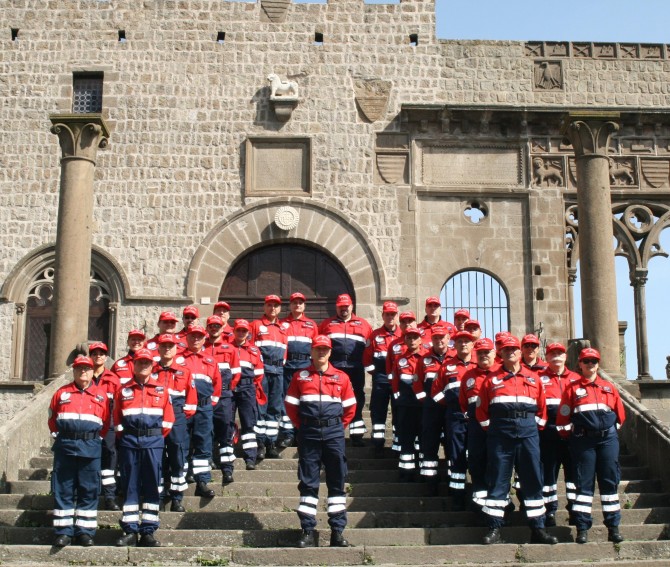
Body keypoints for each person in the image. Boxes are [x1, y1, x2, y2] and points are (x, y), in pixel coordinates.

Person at [476, 335, 557, 545]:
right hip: (500, 434)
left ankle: (538, 528)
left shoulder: (533, 378)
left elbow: (542, 411)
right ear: (501, 353)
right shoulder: (491, 379)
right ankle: (494, 528)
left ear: (520, 353)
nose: (511, 352)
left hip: (528, 433)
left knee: (533, 480)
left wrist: (531, 428)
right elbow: (481, 411)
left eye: (514, 349)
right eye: (507, 349)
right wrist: (493, 429)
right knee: (498, 480)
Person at [284, 335, 356, 548]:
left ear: (330, 352)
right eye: (318, 349)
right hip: (309, 432)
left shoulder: (342, 377)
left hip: (333, 433)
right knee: (308, 481)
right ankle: (307, 530)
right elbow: (290, 406)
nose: (321, 352)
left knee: (337, 481)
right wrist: (303, 426)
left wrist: (336, 426)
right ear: (312, 352)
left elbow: (350, 408)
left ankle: (337, 532)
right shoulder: (300, 376)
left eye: (325, 349)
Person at [556, 347, 626, 545]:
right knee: (583, 484)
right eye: (586, 361)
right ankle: (582, 528)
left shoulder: (609, 387)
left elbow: (620, 415)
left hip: (607, 441)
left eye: (593, 361)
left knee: (609, 482)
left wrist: (609, 432)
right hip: (583, 442)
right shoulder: (572, 388)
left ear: (598, 363)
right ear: (580, 363)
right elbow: (563, 418)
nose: (590, 364)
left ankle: (613, 528)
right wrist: (574, 436)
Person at [114, 348, 174, 548]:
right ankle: (130, 530)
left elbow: (168, 421)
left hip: (153, 444)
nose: (143, 366)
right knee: (129, 485)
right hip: (129, 443)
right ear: (134, 365)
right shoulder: (123, 391)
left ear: (152, 366)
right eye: (140, 362)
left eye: (147, 363)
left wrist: (152, 437)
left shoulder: (161, 390)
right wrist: (131, 436)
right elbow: (117, 421)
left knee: (151, 486)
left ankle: (148, 530)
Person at [49, 355, 110, 547]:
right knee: (63, 490)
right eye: (79, 368)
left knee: (89, 490)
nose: (83, 371)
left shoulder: (101, 396)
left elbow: (106, 423)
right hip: (65, 448)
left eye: (86, 368)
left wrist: (93, 440)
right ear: (74, 371)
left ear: (93, 371)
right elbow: (52, 420)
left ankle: (85, 532)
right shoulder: (61, 393)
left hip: (90, 450)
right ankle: (64, 532)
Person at [431, 330, 477, 510]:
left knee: (477, 456)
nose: (463, 344)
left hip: (477, 418)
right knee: (456, 456)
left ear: (473, 344)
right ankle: (457, 495)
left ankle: (477, 493)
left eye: (467, 341)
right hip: (455, 417)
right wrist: (451, 404)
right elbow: (435, 392)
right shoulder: (447, 366)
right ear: (454, 345)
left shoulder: (480, 365)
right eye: (460, 341)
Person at [319, 293, 372, 446]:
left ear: (351, 306)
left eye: (346, 306)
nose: (344, 309)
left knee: (357, 399)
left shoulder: (364, 324)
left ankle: (356, 435)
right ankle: (334, 433)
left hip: (355, 368)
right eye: (341, 306)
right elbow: (318, 346)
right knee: (333, 401)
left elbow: (369, 348)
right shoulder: (327, 324)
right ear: (336, 307)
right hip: (334, 369)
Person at [538, 342, 581, 526]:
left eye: (560, 353)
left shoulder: (576, 379)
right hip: (548, 434)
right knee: (549, 474)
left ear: (565, 357)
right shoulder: (538, 378)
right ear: (546, 357)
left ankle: (574, 509)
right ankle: (550, 511)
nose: (556, 356)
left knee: (573, 474)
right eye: (552, 353)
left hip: (572, 435)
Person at [153, 334, 197, 512]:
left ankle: (177, 497)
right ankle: (160, 495)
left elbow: (192, 400)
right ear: (158, 348)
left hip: (178, 416)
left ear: (176, 349)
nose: (167, 349)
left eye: (170, 346)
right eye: (163, 346)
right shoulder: (151, 370)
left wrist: (181, 417)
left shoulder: (184, 372)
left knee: (177, 456)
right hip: (156, 416)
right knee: (158, 457)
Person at [182, 324, 221, 496]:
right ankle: (180, 481)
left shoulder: (211, 361)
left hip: (204, 408)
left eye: (199, 336)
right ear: (186, 337)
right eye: (192, 336)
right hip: (183, 408)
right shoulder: (178, 359)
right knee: (181, 444)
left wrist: (207, 405)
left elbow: (217, 387)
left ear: (204, 339)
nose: (196, 339)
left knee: (204, 444)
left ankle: (202, 482)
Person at [459, 337, 497, 511]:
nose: (483, 355)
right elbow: (463, 402)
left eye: (487, 352)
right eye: (480, 352)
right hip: (475, 426)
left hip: (498, 426)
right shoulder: (469, 375)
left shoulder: (501, 373)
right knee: (476, 460)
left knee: (496, 462)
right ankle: (479, 499)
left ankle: (498, 499)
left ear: (494, 353)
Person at [204, 315, 241, 483]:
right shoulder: (201, 347)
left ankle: (227, 468)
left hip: (225, 397)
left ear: (222, 327)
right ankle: (209, 462)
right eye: (211, 326)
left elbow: (236, 373)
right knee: (206, 430)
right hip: (206, 397)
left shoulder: (230, 348)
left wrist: (228, 390)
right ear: (207, 328)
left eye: (217, 326)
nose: (214, 328)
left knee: (226, 430)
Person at [279, 292, 318, 448]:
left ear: (304, 305)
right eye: (294, 302)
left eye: (300, 302)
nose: (297, 305)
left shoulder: (311, 325)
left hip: (304, 367)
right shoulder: (281, 324)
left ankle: (302, 433)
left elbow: (316, 347)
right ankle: (288, 434)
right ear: (290, 305)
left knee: (305, 401)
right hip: (287, 366)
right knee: (287, 401)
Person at [251, 294, 288, 459]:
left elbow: (285, 350)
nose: (273, 308)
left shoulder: (283, 329)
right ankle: (259, 444)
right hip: (262, 372)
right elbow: (250, 349)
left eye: (276, 305)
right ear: (264, 307)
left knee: (274, 409)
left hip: (278, 372)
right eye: (270, 305)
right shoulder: (256, 325)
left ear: (280, 309)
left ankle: (270, 443)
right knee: (261, 409)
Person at [363, 301, 401, 457]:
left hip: (399, 381)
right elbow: (366, 359)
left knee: (399, 411)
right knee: (378, 411)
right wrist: (376, 374)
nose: (390, 317)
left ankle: (398, 442)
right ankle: (377, 442)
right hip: (381, 378)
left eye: (393, 314)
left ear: (396, 315)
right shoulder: (374, 335)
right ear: (383, 315)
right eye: (387, 314)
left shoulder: (403, 336)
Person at [416, 323, 450, 493]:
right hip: (431, 409)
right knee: (429, 444)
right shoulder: (424, 359)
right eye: (435, 338)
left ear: (448, 338)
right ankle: (431, 481)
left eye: (441, 337)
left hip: (450, 409)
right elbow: (417, 382)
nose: (439, 341)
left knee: (451, 444)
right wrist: (425, 401)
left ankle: (452, 479)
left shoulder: (455, 358)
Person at [391, 327, 427, 482]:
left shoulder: (427, 358)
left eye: (415, 337)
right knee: (406, 440)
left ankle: (424, 471)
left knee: (425, 440)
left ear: (420, 340)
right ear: (404, 340)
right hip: (405, 406)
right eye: (409, 337)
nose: (412, 340)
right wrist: (399, 399)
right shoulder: (400, 359)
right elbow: (394, 382)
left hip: (423, 406)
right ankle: (406, 472)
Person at [89, 342, 121, 511]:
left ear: (106, 356)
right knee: (90, 459)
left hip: (108, 425)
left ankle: (109, 496)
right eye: (95, 353)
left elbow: (118, 404)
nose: (98, 356)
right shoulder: (84, 377)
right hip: (89, 426)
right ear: (90, 356)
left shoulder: (113, 379)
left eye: (101, 353)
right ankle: (91, 494)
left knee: (109, 458)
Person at [231, 319, 265, 470]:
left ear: (248, 333)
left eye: (244, 331)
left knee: (248, 423)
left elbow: (259, 374)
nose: (241, 333)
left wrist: (253, 388)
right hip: (230, 388)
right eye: (238, 330)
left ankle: (250, 457)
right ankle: (227, 455)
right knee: (226, 423)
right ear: (234, 331)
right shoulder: (227, 348)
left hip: (247, 388)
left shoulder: (254, 350)